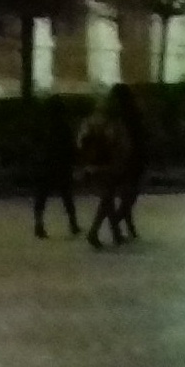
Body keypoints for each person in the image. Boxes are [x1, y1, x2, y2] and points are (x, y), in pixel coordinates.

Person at [77, 92, 130, 251]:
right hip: (107, 164)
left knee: (107, 198)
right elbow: (114, 141)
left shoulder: (87, 122)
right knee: (107, 198)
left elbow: (80, 143)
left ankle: (115, 233)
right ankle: (96, 231)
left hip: (91, 164)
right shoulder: (109, 123)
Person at [27, 94, 79, 239]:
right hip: (61, 165)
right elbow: (70, 147)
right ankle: (73, 223)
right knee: (67, 195)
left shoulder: (42, 125)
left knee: (41, 196)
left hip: (44, 165)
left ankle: (39, 224)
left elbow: (34, 143)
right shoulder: (63, 126)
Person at [103, 84, 149, 245]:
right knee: (129, 195)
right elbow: (140, 137)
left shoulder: (112, 115)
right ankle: (115, 224)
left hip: (115, 159)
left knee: (114, 195)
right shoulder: (133, 114)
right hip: (132, 158)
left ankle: (120, 227)